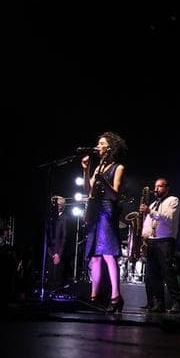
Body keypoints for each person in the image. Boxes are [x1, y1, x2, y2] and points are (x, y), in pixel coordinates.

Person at [81, 131, 126, 312]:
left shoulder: (118, 167)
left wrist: (102, 182)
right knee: (95, 256)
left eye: (101, 144)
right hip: (95, 210)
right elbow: (89, 192)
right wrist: (86, 170)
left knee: (108, 253)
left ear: (109, 147)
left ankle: (116, 296)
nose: (98, 146)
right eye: (98, 144)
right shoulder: (98, 168)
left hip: (107, 210)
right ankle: (95, 297)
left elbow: (115, 194)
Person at [140, 177, 180, 313]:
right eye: (155, 186)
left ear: (167, 188)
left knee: (168, 272)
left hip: (165, 241)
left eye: (160, 186)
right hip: (152, 241)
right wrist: (143, 236)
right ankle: (159, 303)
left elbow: (168, 218)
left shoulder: (173, 200)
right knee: (153, 274)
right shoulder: (152, 204)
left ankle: (177, 303)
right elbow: (147, 223)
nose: (156, 189)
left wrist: (150, 212)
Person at [45, 195, 69, 293]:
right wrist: (50, 252)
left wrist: (58, 254)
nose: (54, 206)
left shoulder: (65, 218)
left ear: (61, 205)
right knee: (49, 275)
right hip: (50, 251)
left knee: (57, 277)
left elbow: (64, 237)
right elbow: (47, 236)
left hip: (58, 252)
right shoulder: (50, 218)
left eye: (57, 204)